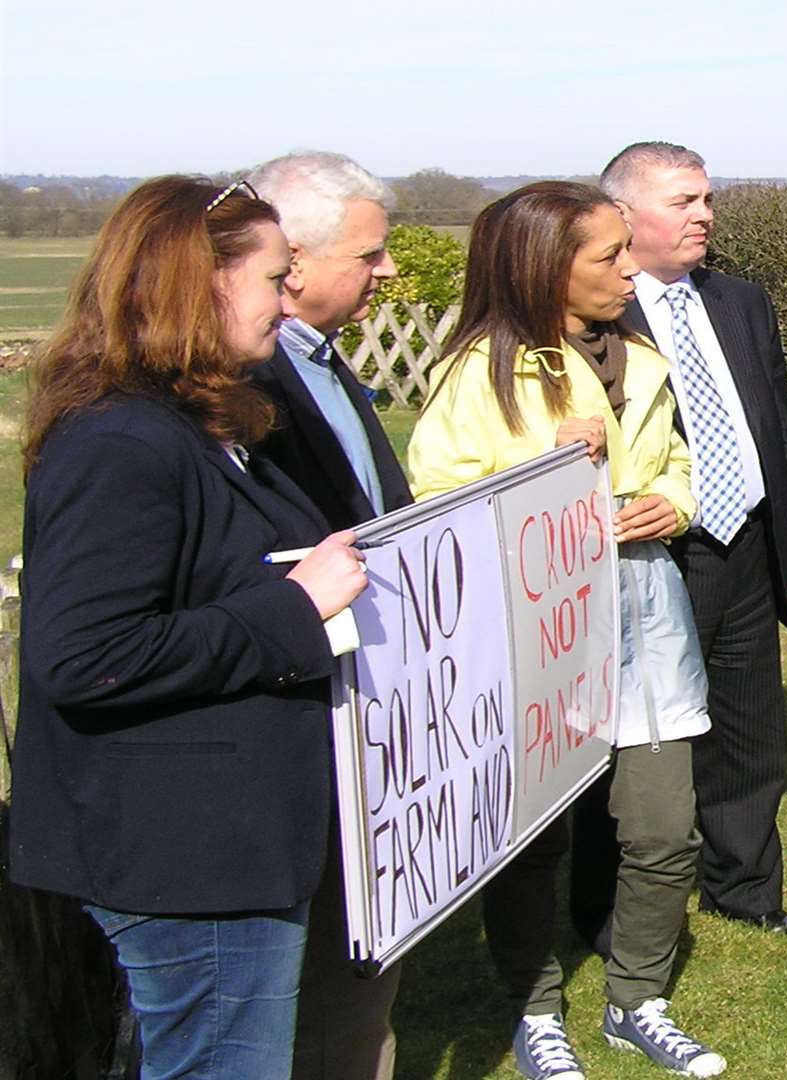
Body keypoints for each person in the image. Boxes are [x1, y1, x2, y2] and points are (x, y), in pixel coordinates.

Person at [8, 175, 369, 1079]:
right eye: (275, 278)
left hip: (220, 842)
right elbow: (84, 657)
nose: (290, 298)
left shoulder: (197, 421)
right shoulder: (122, 444)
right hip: (186, 854)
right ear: (199, 286)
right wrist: (294, 607)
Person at [408, 181, 725, 1079]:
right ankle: (535, 1006)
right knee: (534, 840)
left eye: (629, 249)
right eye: (608, 256)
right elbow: (436, 513)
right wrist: (546, 471)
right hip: (532, 632)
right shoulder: (481, 372)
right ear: (546, 267)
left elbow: (677, 467)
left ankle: (637, 1000)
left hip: (643, 616)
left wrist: (671, 503)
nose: (632, 269)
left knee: (665, 827)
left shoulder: (641, 357)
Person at [565, 141, 787, 947]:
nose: (705, 214)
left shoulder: (739, 300)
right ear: (624, 216)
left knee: (751, 730)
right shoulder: (596, 314)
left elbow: (775, 431)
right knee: (638, 741)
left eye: (705, 198)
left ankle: (745, 891)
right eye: (683, 201)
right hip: (650, 558)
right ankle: (612, 912)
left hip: (745, 545)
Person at [247, 149, 411, 1080]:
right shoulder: (244, 384)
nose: (387, 271)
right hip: (300, 706)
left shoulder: (325, 361)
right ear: (295, 262)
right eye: (372, 254)